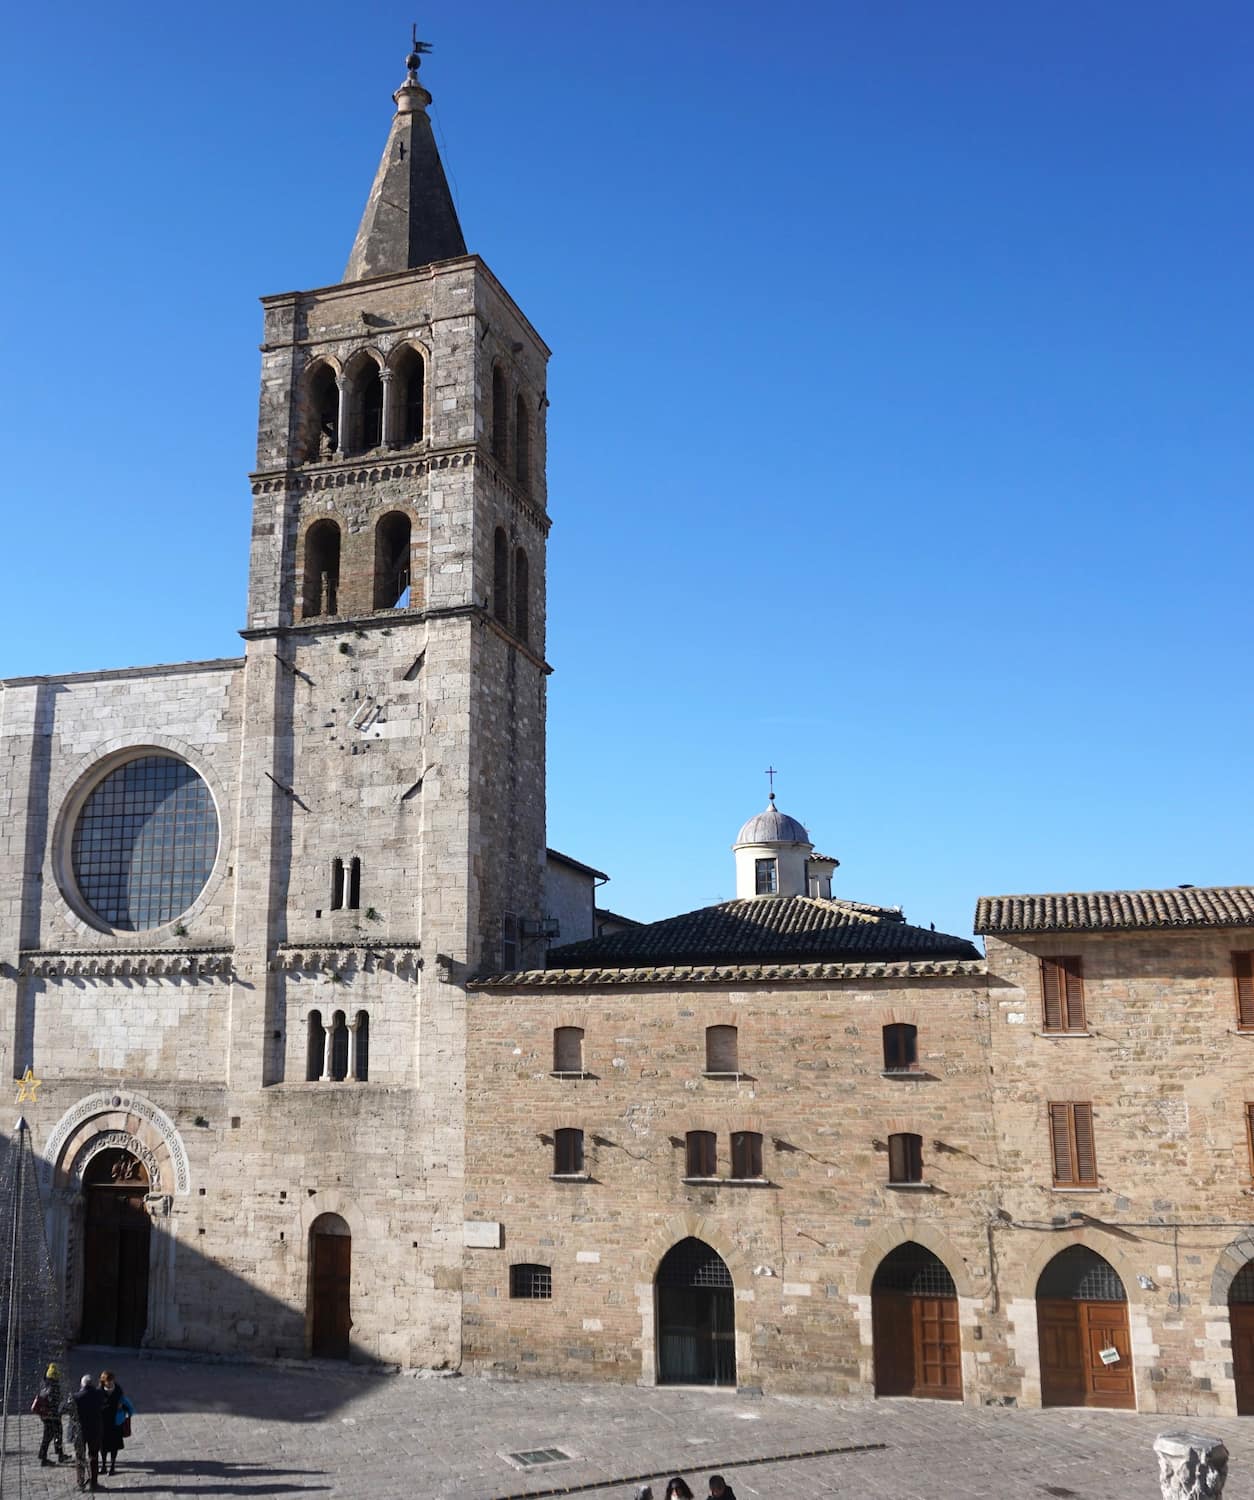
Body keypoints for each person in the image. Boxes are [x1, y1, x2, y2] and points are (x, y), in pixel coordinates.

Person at [72, 1374, 105, 1491]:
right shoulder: (99, 1395)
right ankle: (94, 1483)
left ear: (82, 1384)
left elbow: (62, 1409)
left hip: (80, 1431)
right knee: (94, 1457)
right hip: (95, 1430)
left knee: (80, 1457)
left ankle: (81, 1482)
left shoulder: (76, 1397)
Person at [36, 1362, 67, 1465]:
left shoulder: (44, 1383)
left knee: (53, 1434)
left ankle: (60, 1454)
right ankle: (44, 1457)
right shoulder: (54, 1387)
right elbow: (56, 1402)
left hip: (46, 1415)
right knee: (51, 1435)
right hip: (53, 1416)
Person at [98, 1371, 127, 1477]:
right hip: (103, 1423)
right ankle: (104, 1465)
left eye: (111, 1381)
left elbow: (123, 1404)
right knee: (103, 1446)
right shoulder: (99, 1391)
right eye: (108, 1381)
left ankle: (113, 1466)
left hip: (115, 1423)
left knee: (114, 1445)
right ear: (103, 1381)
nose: (110, 1383)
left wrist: (120, 1407)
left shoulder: (118, 1390)